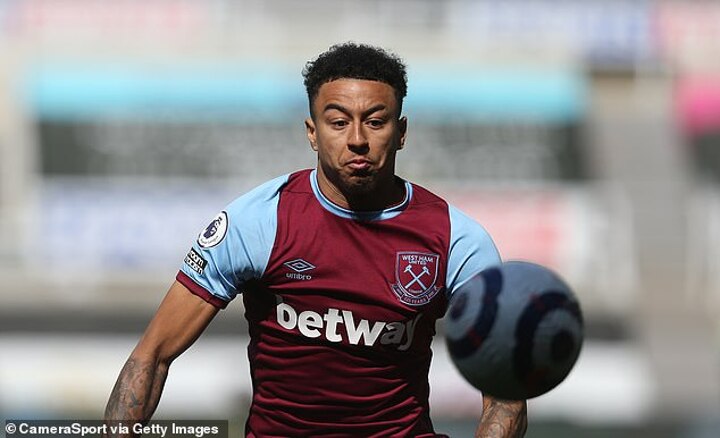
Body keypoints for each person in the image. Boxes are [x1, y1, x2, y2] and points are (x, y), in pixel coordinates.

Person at [104, 42, 527, 437]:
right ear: (312, 132)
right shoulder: (259, 221)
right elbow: (152, 356)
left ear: (401, 132)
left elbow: (505, 396)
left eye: (375, 122)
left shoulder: (457, 241)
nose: (357, 139)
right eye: (338, 122)